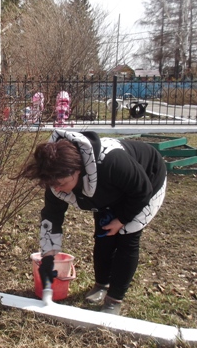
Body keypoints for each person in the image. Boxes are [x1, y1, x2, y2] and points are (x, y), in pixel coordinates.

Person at [16, 129, 167, 315]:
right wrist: (48, 256)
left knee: (127, 239)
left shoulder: (112, 161)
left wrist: (122, 219)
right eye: (53, 185)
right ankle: (102, 284)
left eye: (61, 184)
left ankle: (114, 299)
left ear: (77, 170)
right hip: (109, 188)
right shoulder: (56, 177)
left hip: (146, 181)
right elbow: (52, 217)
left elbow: (142, 190)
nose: (57, 189)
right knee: (103, 235)